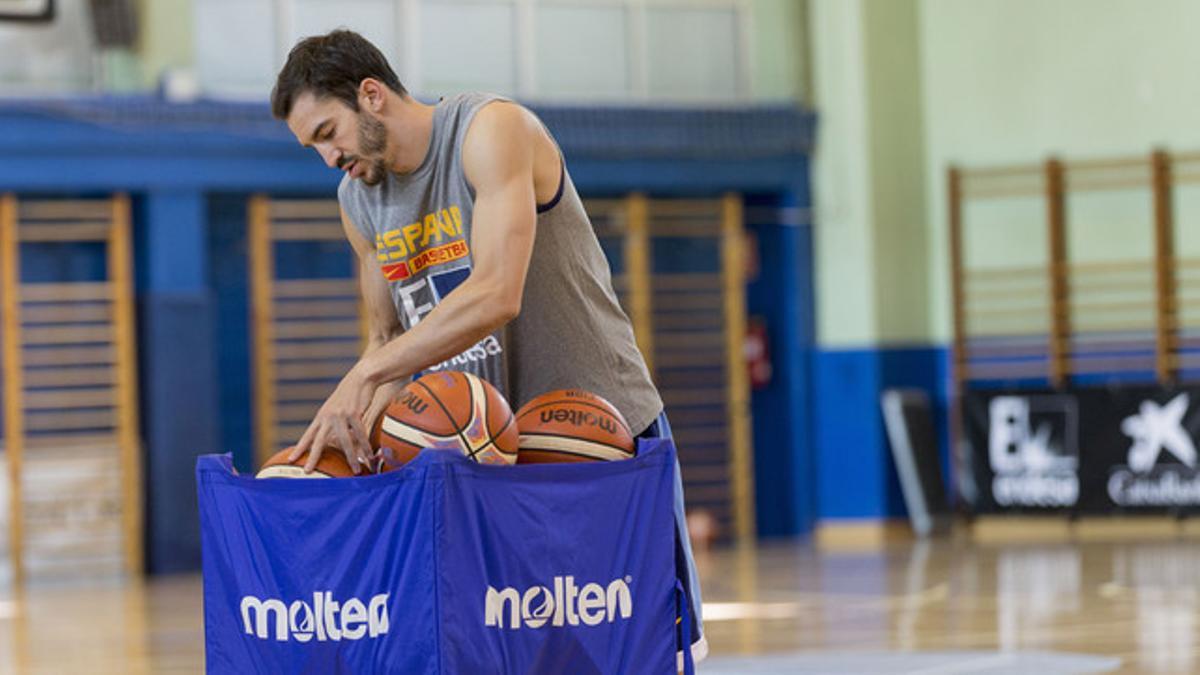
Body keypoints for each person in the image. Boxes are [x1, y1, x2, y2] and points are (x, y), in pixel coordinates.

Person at [270, 29, 706, 665]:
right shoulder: (358, 203)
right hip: (491, 457)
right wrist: (339, 455)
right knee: (516, 654)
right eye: (313, 146)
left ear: (371, 95)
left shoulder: (489, 130)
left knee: (637, 647)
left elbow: (497, 292)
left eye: (328, 133)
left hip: (591, 432)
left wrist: (363, 375)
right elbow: (389, 344)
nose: (327, 157)